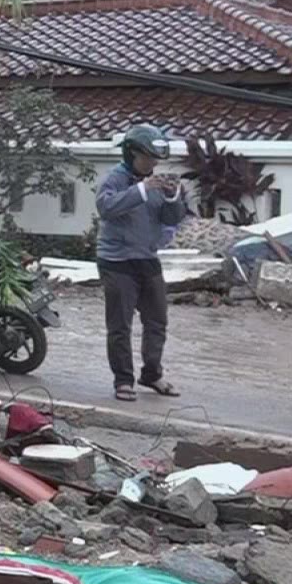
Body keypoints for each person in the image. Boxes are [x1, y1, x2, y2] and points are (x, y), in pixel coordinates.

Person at [95, 124, 188, 402]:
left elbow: (171, 220)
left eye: (155, 159)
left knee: (157, 320)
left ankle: (152, 373)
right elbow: (107, 208)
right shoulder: (114, 179)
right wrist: (141, 190)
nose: (153, 164)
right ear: (131, 153)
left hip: (147, 258)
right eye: (147, 158)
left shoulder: (156, 183)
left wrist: (172, 197)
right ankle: (123, 380)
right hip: (116, 261)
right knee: (120, 325)